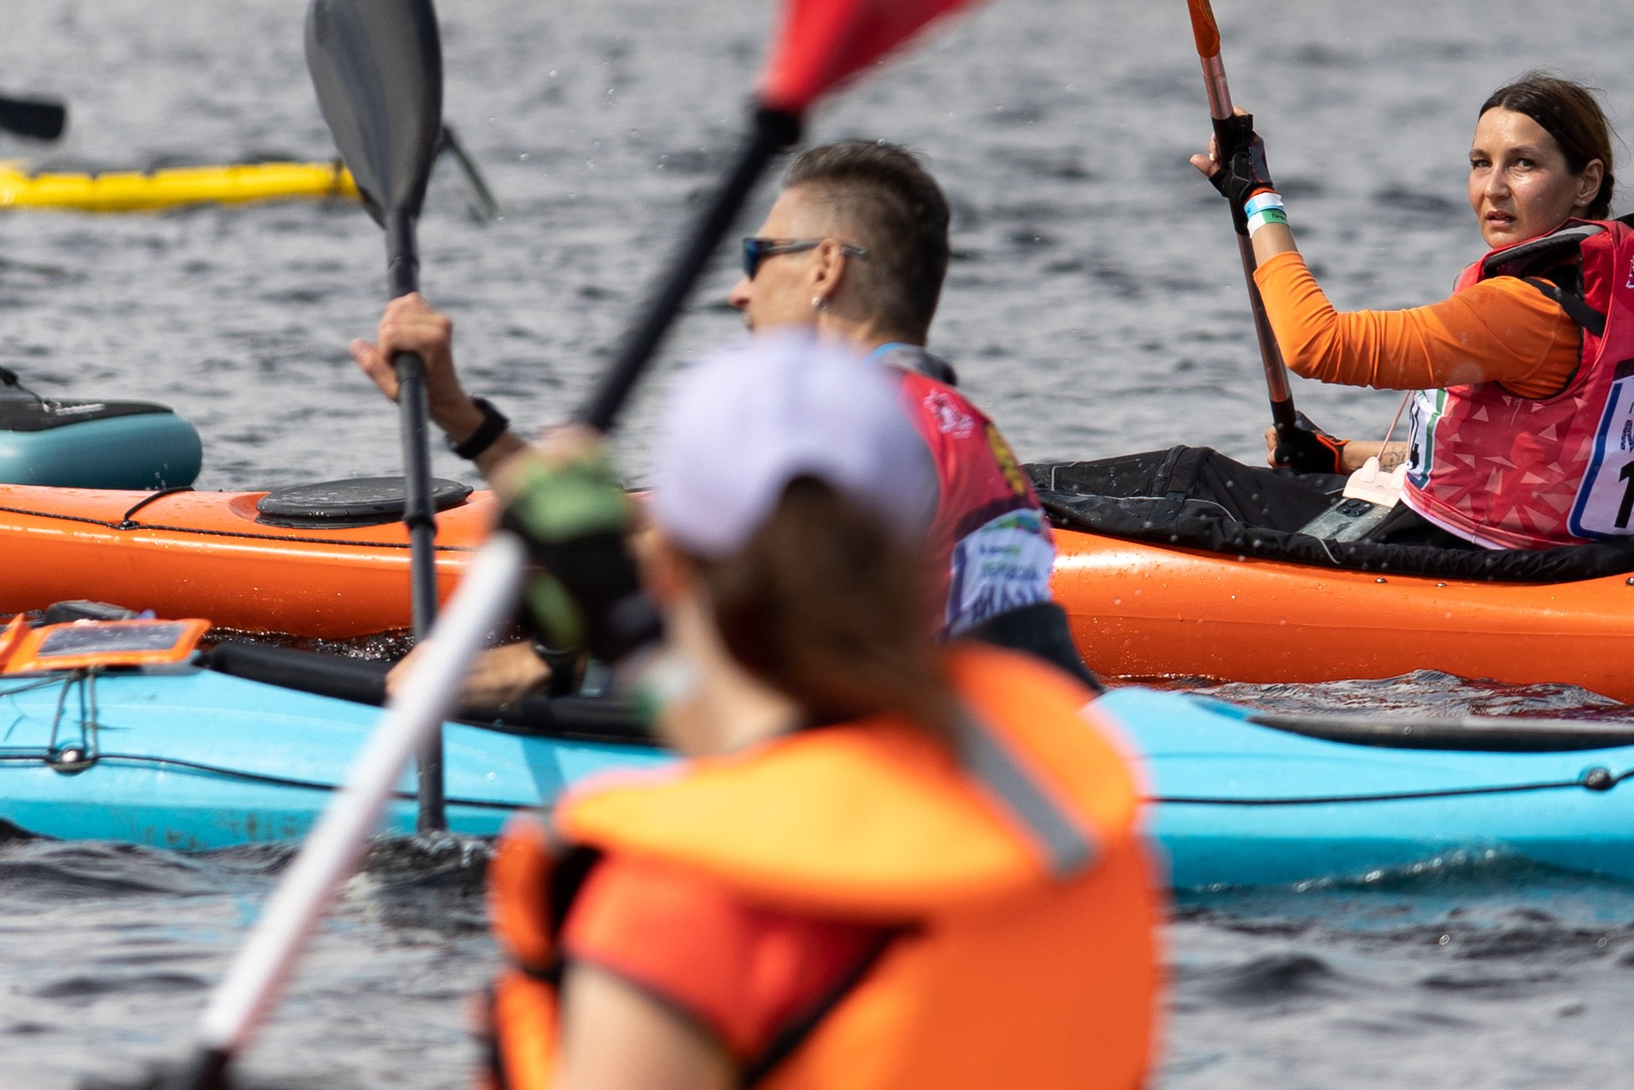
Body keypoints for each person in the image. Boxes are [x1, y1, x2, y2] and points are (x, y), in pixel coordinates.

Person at [481, 334, 1160, 1090]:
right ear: (920, 558)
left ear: (670, 562)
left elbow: (777, 769)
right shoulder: (1079, 826)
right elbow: (781, 751)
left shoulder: (678, 909)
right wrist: (627, 630)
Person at [355, 140, 1095, 703]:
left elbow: (698, 617)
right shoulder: (953, 419)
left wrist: (504, 673)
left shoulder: (837, 425)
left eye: (757, 256)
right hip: (1027, 734)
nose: (740, 293)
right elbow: (649, 541)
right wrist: (461, 417)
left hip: (916, 780)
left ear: (824, 269)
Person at [1032, 72, 1634, 579]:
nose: (1492, 188)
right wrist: (1345, 456)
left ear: (1586, 184)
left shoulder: (1526, 310)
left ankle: (972, 503)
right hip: (1550, 549)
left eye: (1523, 164)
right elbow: (1527, 462)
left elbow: (1316, 346)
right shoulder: (1620, 298)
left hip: (1459, 554)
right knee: (1240, 480)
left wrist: (1260, 201)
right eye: (1479, 162)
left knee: (1191, 479)